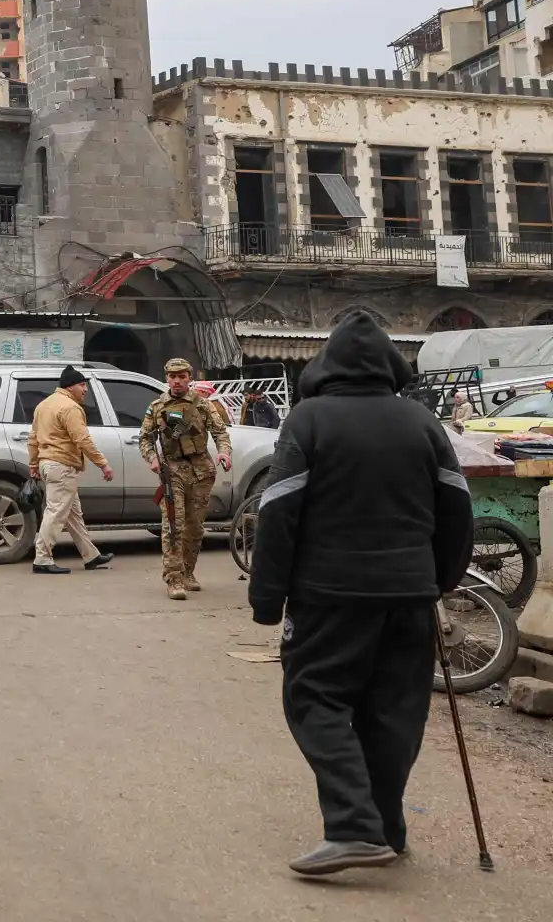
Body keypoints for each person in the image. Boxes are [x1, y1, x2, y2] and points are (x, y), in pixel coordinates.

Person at [249, 311, 474, 877]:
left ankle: (352, 827)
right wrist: (441, 579)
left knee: (315, 700)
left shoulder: (309, 421)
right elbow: (457, 512)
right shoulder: (423, 423)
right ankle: (386, 831)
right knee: (393, 713)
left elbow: (277, 513)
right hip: (410, 596)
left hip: (330, 597)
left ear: (326, 365)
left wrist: (267, 597)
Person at [138, 356, 231, 600]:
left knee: (195, 527)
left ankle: (188, 572)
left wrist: (224, 452)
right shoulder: (157, 406)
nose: (177, 381)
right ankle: (174, 578)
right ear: (166, 378)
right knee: (173, 525)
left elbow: (220, 431)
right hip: (173, 471)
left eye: (182, 376)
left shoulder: (203, 405)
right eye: (172, 377)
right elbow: (145, 438)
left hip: (201, 471)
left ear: (189, 378)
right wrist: (153, 459)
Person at [27, 365, 115, 575]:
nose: (85, 390)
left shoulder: (43, 405)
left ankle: (90, 555)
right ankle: (42, 558)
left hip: (49, 464)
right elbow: (82, 439)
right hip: (63, 466)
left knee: (73, 514)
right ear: (70, 386)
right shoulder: (70, 408)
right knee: (56, 512)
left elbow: (32, 438)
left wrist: (33, 464)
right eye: (82, 385)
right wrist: (103, 464)